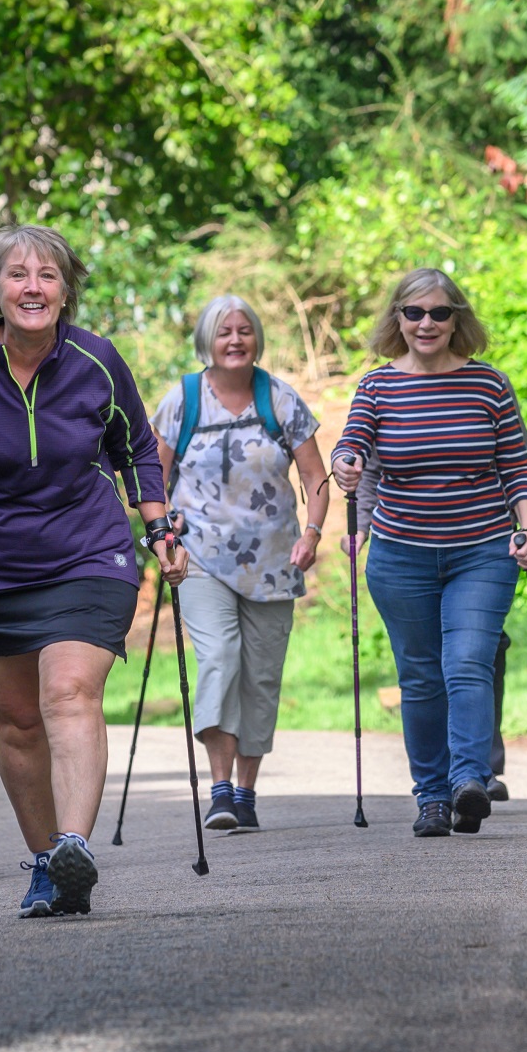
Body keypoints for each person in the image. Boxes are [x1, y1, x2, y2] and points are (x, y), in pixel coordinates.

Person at [0, 225, 186, 919]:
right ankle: (45, 866)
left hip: (90, 550)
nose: (34, 286)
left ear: (66, 289)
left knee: (67, 693)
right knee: (21, 721)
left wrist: (158, 526)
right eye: (19, 275)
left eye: (48, 275)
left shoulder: (97, 360)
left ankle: (74, 844)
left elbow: (137, 449)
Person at [331, 268, 527, 838]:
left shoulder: (488, 385)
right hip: (402, 555)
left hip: (481, 550)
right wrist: (345, 463)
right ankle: (430, 796)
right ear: (397, 320)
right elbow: (352, 445)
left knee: (468, 661)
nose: (426, 323)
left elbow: (519, 467)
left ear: (458, 320)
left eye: (440, 313)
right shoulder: (378, 387)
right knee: (421, 677)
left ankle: (469, 780)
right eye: (414, 313)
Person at [152, 295, 329, 833]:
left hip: (275, 559)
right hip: (201, 556)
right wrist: (160, 536)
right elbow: (152, 481)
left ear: (257, 339)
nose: (235, 340)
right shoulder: (182, 401)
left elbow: (316, 479)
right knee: (220, 657)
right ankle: (220, 787)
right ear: (207, 340)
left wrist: (313, 532)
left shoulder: (280, 399)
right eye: (224, 331)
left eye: (244, 330)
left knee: (261, 677)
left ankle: (246, 792)